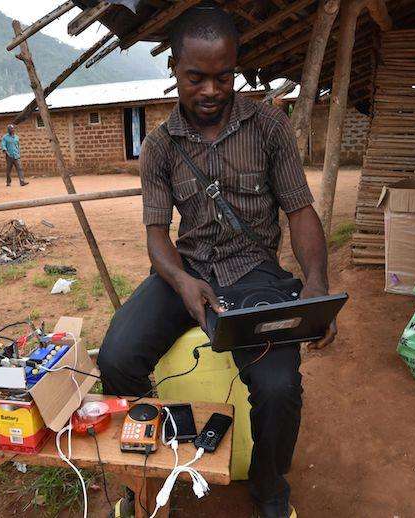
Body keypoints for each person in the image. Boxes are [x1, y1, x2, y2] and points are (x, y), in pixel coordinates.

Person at [97, 4, 335, 518]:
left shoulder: (270, 127)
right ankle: (152, 466)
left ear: (236, 69)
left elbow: (300, 211)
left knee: (277, 388)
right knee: (116, 357)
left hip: (255, 273)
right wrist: (181, 280)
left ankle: (270, 487)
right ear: (175, 70)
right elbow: (157, 236)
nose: (210, 90)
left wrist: (316, 281)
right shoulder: (160, 146)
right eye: (196, 77)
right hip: (186, 272)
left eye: (223, 76)